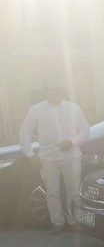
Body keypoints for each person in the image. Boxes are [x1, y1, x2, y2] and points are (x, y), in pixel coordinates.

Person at [19, 79, 91, 235]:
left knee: (73, 191)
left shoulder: (74, 108)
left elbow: (85, 130)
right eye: (51, 89)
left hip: (71, 156)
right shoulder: (35, 110)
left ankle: (73, 221)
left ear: (62, 91)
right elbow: (24, 132)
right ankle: (57, 222)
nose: (55, 92)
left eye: (58, 89)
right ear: (45, 91)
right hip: (47, 158)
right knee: (52, 192)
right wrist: (30, 155)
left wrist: (72, 142)